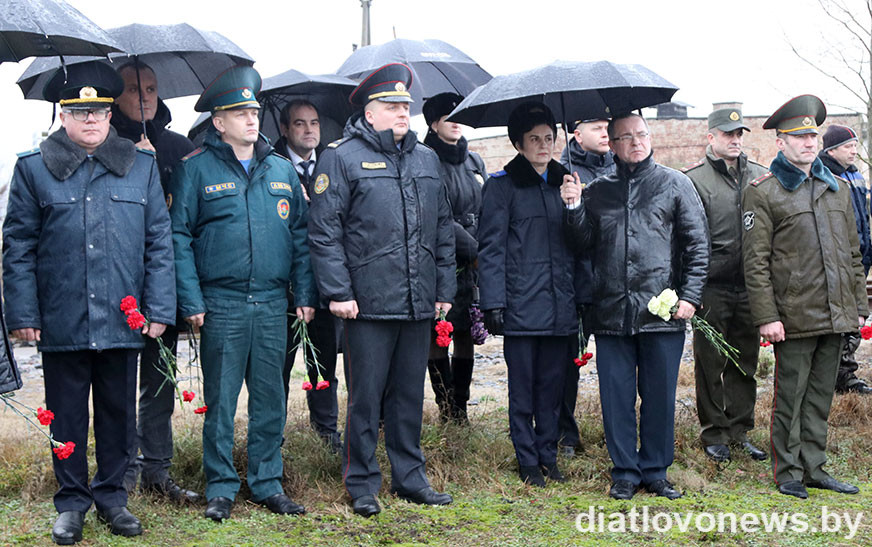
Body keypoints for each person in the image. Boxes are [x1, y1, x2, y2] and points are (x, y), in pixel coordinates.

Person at [2, 61, 176, 543]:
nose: (92, 121)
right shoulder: (33, 169)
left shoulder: (139, 167)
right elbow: (17, 247)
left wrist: (160, 308)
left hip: (125, 319)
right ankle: (72, 501)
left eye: (99, 111)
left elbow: (159, 243)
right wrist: (23, 314)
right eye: (81, 113)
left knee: (119, 414)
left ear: (107, 114)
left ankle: (113, 498)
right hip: (63, 319)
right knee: (68, 415)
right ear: (63, 115)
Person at [308, 63, 456, 518]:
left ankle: (411, 478)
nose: (401, 113)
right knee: (366, 399)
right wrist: (337, 291)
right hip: (365, 304)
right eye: (391, 106)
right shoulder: (341, 157)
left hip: (416, 300)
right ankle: (362, 482)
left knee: (409, 397)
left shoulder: (426, 159)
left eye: (405, 106)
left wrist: (443, 287)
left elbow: (442, 228)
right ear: (369, 113)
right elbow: (324, 231)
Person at [169, 66, 316, 521]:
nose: (251, 120)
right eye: (239, 113)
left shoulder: (280, 169)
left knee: (271, 398)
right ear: (219, 122)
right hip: (222, 305)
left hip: (273, 303)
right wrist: (192, 301)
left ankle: (268, 482)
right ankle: (220, 487)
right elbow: (179, 237)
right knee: (221, 401)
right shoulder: (195, 170)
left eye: (254, 111)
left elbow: (301, 236)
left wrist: (304, 294)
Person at [561, 113, 710, 501]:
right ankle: (625, 471)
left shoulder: (676, 184)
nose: (636, 142)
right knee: (616, 397)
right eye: (625, 137)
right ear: (611, 144)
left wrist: (690, 296)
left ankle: (656, 470)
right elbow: (582, 245)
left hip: (662, 312)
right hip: (611, 311)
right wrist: (575, 207)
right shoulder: (596, 191)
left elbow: (697, 245)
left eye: (641, 134)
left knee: (660, 395)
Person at [742, 95, 868, 499]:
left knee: (819, 397)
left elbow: (852, 254)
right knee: (791, 397)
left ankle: (816, 467)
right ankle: (788, 472)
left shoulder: (836, 189)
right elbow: (755, 262)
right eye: (799, 137)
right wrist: (767, 316)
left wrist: (858, 307)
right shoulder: (764, 192)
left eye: (812, 135)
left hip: (835, 313)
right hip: (793, 316)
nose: (808, 143)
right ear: (781, 143)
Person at [111, 61, 200, 503]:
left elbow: (187, 217)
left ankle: (157, 470)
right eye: (132, 88)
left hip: (164, 284)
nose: (143, 96)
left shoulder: (178, 146)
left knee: (160, 381)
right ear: (115, 95)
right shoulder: (102, 143)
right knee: (119, 384)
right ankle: (122, 470)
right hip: (118, 286)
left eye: (150, 87)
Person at [478, 102, 579, 487]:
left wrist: (574, 204)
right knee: (523, 389)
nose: (543, 145)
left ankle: (548, 456)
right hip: (520, 304)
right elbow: (491, 249)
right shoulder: (501, 187)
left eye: (549, 138)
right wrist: (493, 302)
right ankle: (526, 461)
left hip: (559, 305)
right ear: (518, 143)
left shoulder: (566, 183)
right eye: (534, 139)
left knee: (552, 388)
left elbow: (579, 245)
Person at [683, 108, 769, 463]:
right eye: (728, 134)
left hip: (750, 286)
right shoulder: (694, 180)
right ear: (711, 137)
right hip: (711, 286)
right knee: (710, 361)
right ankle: (713, 432)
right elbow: (687, 237)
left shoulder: (760, 177)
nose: (735, 140)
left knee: (745, 361)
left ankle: (739, 430)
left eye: (739, 134)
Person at [273, 99, 342, 452]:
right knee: (280, 361)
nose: (309, 130)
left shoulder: (331, 162)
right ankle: (275, 432)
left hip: (324, 279)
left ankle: (326, 429)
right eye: (299, 124)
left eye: (314, 122)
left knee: (324, 358)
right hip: (284, 282)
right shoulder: (272, 164)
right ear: (284, 129)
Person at [422, 92, 487, 425]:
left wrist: (485, 245)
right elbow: (438, 216)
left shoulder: (475, 161)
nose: (456, 121)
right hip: (444, 258)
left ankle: (460, 407)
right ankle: (445, 404)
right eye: (448, 116)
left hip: (474, 262)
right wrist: (475, 249)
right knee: (440, 332)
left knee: (466, 331)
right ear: (433, 124)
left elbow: (485, 207)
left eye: (460, 114)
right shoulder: (427, 160)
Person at [557, 117, 615, 458]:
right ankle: (565, 434)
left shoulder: (620, 166)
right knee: (568, 366)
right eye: (596, 128)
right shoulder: (563, 172)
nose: (604, 133)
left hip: (611, 282)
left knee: (615, 367)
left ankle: (616, 432)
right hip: (578, 283)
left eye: (607, 126)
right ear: (577, 135)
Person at [817, 124, 872, 395]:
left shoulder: (856, 176)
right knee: (839, 320)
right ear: (832, 150)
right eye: (848, 147)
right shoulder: (823, 175)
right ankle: (835, 375)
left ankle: (845, 374)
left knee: (855, 318)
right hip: (836, 259)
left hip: (859, 258)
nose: (854, 151)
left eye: (854, 146)